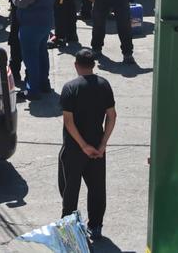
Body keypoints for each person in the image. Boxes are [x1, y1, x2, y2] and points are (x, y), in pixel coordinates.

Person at [58, 49, 116, 241]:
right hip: (97, 148)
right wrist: (102, 144)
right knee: (97, 188)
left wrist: (83, 146)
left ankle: (69, 227)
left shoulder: (70, 88)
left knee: (70, 188)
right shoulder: (104, 85)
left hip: (74, 149)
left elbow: (68, 121)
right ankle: (96, 226)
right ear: (94, 65)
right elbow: (112, 116)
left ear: (76, 65)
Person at [12, 0, 57, 99]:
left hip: (32, 25)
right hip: (46, 22)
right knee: (42, 54)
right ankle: (44, 84)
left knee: (31, 58)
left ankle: (33, 90)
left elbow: (21, 1)